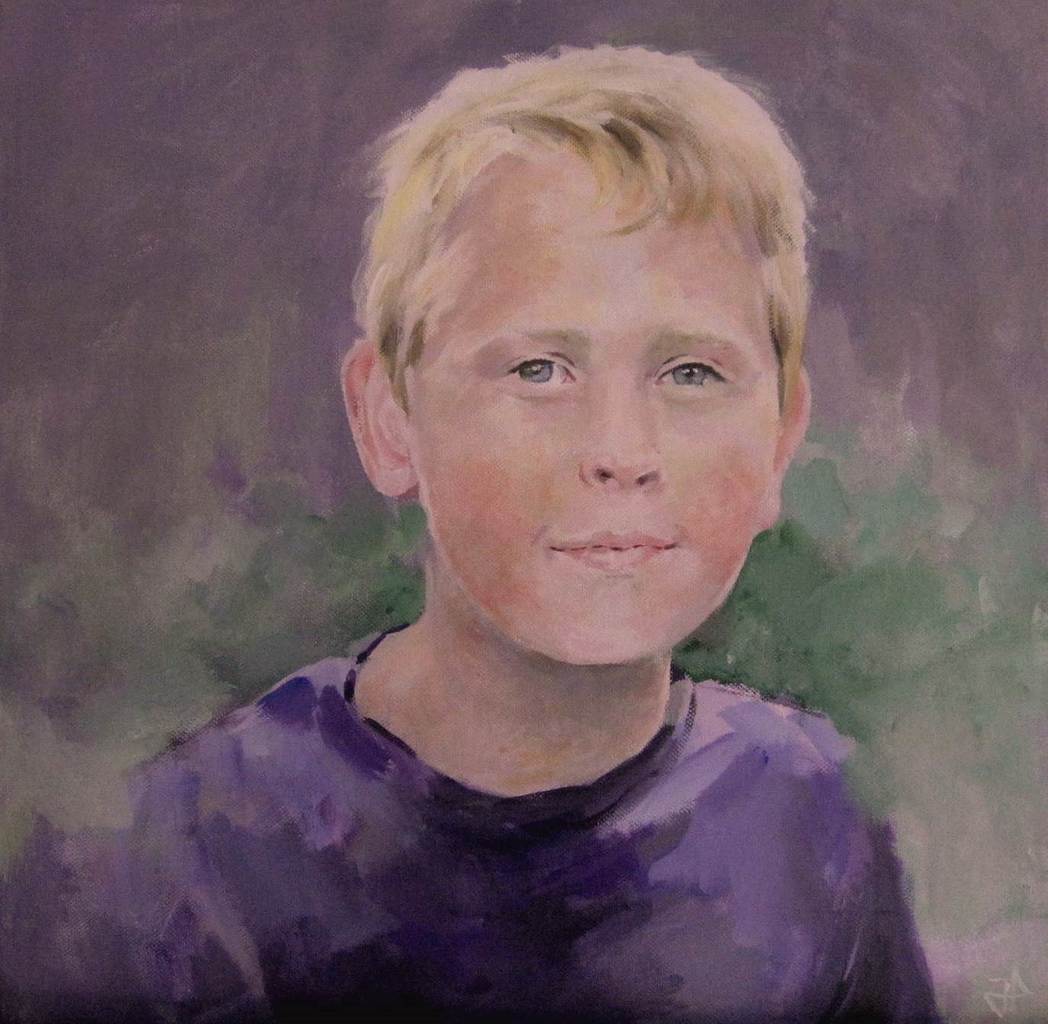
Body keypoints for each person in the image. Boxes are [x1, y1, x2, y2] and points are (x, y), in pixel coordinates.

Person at [0, 45, 940, 1024]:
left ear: (781, 437)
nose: (621, 451)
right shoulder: (180, 865)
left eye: (691, 373)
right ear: (388, 419)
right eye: (539, 369)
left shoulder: (814, 824)